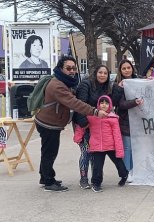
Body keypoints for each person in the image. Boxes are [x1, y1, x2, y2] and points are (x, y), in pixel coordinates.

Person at [35, 56, 107, 192]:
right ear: (61, 68)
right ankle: (49, 182)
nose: (72, 71)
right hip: (48, 123)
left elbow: (69, 96)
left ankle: (44, 177)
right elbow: (74, 103)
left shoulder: (62, 82)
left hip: (50, 122)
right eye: (68, 68)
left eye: (74, 68)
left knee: (47, 151)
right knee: (50, 152)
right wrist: (95, 111)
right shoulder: (57, 85)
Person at [74, 95, 128, 192]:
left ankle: (124, 175)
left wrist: (119, 150)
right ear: (98, 105)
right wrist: (78, 136)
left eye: (106, 103)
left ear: (110, 105)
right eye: (102, 103)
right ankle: (96, 183)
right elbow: (82, 125)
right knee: (97, 167)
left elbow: (117, 135)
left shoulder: (113, 118)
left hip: (110, 146)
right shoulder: (92, 116)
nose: (104, 105)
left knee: (119, 163)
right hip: (96, 146)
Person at [73, 65, 112, 189]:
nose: (102, 75)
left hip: (96, 125)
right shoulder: (86, 85)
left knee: (95, 152)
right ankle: (83, 179)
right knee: (86, 152)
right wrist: (84, 124)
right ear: (95, 73)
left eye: (105, 73)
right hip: (83, 124)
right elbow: (80, 105)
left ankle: (95, 177)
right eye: (100, 72)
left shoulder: (107, 87)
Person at [111, 59, 144, 183]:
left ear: (132, 68)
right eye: (124, 68)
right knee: (127, 147)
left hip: (139, 119)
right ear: (120, 71)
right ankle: (127, 171)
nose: (126, 70)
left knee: (138, 147)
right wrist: (134, 102)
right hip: (125, 121)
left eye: (128, 68)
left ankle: (136, 170)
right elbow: (119, 104)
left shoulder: (139, 81)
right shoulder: (117, 85)